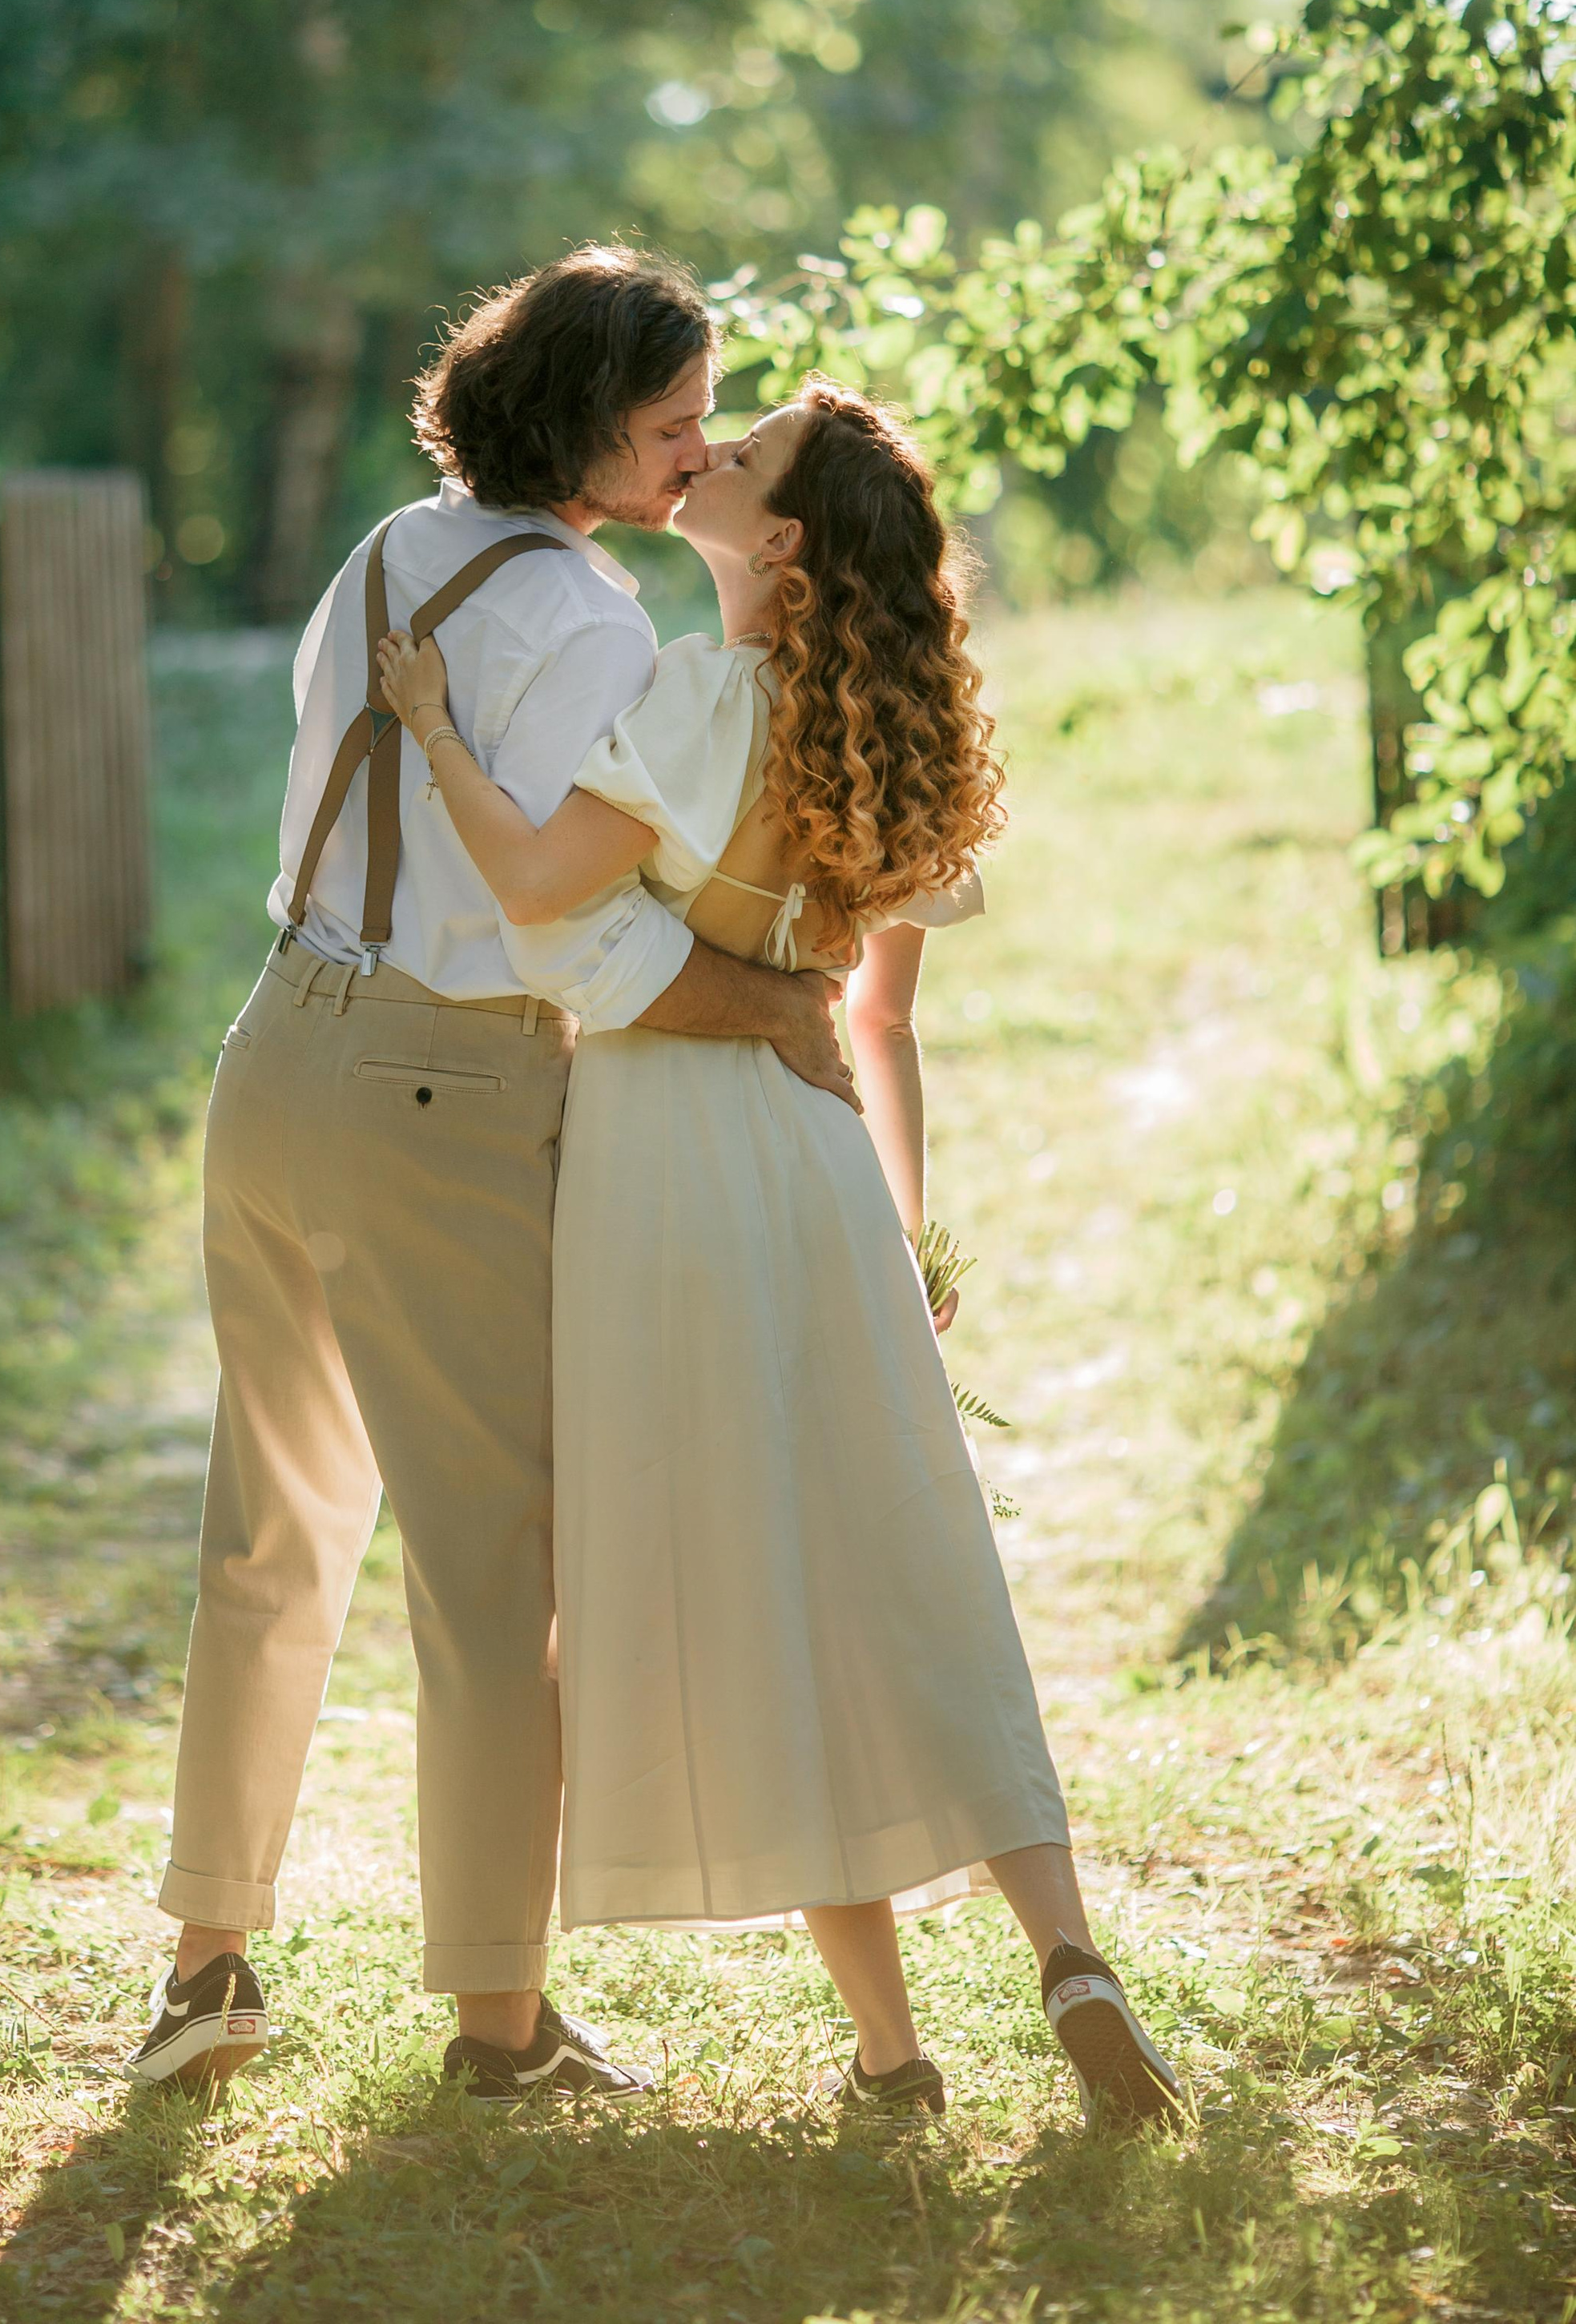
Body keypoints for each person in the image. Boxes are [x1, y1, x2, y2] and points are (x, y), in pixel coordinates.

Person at [377, 377, 1184, 2129]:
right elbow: (875, 1028)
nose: (705, 457)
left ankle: (897, 2053)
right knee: (905, 1566)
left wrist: (431, 727)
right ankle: (1065, 1954)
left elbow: (528, 887)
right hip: (821, 1172)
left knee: (765, 1588)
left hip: (665, 1157)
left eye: (736, 462)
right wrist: (906, 1227)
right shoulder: (890, 745)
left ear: (785, 541)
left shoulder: (692, 696)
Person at [132, 246, 859, 2102]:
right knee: (495, 1579)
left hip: (271, 1044)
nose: (698, 455)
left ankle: (207, 1969)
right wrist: (771, 999)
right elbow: (562, 924)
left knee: (266, 1535)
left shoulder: (385, 548)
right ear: (579, 421)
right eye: (674, 421)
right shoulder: (602, 624)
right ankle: (496, 2026)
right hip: (437, 1088)